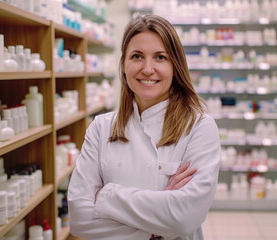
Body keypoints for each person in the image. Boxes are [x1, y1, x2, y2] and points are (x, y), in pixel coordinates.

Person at [67, 13, 220, 240]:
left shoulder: (199, 127)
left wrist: (107, 197)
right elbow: (79, 219)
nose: (148, 69)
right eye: (137, 56)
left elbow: (185, 217)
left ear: (175, 66)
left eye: (160, 57)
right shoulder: (101, 128)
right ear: (123, 65)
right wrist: (160, 223)